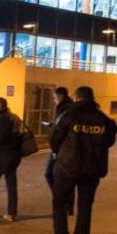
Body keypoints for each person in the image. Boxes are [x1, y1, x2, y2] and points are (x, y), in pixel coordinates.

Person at [48, 86, 117, 234]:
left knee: (59, 202)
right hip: (92, 170)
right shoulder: (103, 119)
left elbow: (54, 138)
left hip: (66, 168)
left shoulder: (69, 115)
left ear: (77, 97)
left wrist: (58, 152)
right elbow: (109, 141)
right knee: (85, 208)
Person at [43, 87, 75, 215]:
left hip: (62, 148)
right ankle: (66, 205)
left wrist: (55, 149)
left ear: (60, 96)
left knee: (53, 174)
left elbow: (62, 130)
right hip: (61, 147)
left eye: (55, 98)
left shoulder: (66, 109)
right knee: (59, 176)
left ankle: (64, 204)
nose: (54, 101)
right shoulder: (66, 108)